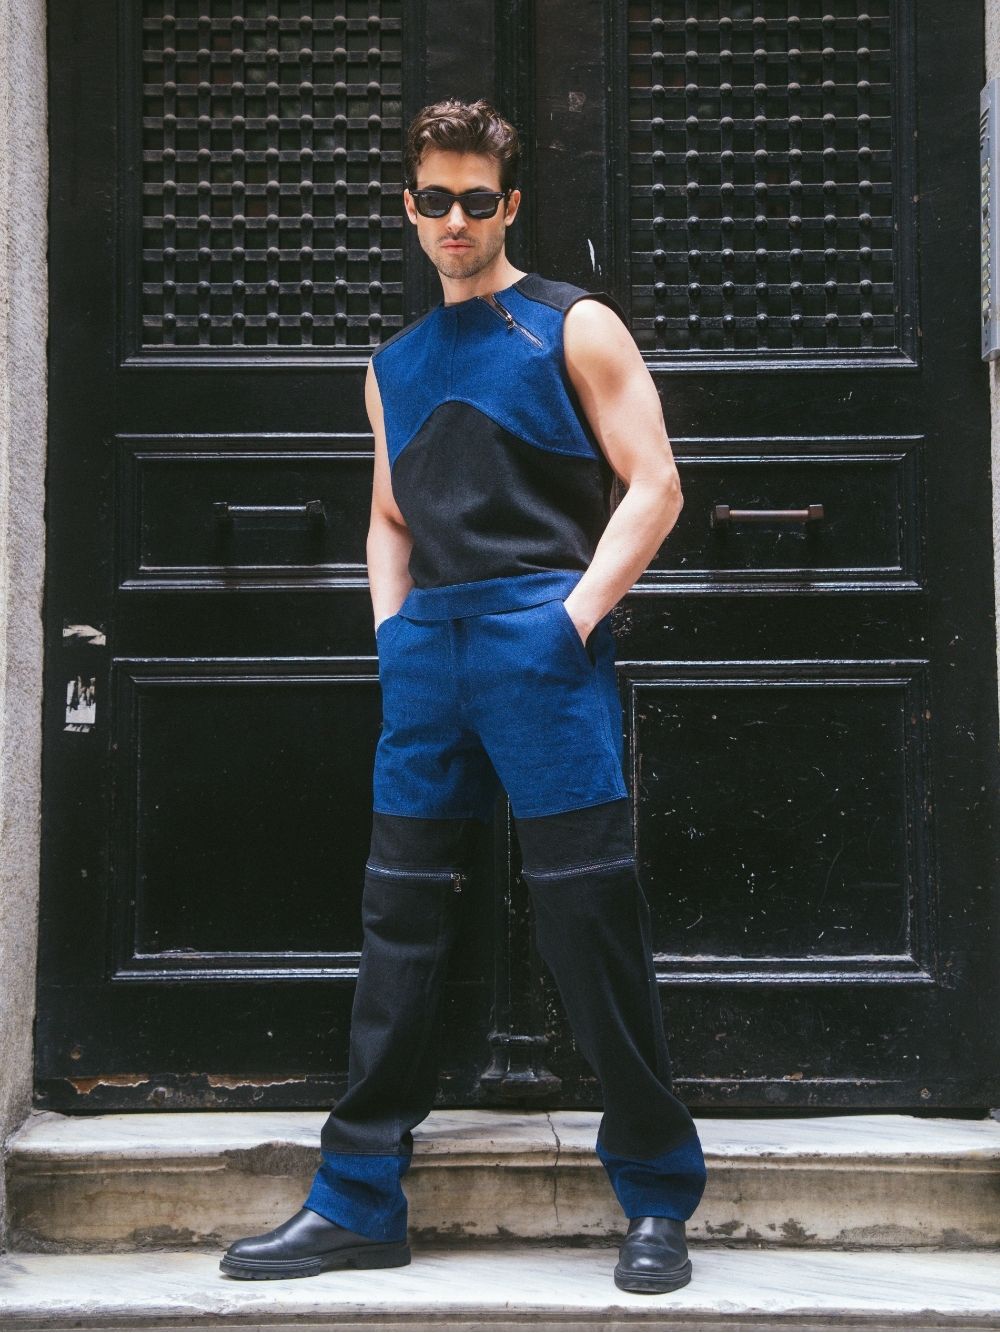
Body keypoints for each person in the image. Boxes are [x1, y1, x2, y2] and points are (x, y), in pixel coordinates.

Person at [220, 97, 706, 1295]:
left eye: (476, 200)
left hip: (539, 638)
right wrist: (392, 635)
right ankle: (356, 1199)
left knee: (589, 917)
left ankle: (655, 1195)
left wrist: (569, 620)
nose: (454, 219)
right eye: (434, 199)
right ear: (409, 206)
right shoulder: (390, 365)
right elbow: (389, 515)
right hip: (428, 652)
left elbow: (654, 484)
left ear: (509, 204)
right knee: (398, 920)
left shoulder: (572, 325)